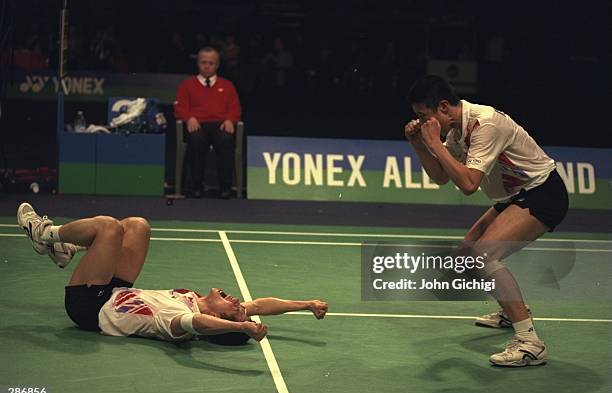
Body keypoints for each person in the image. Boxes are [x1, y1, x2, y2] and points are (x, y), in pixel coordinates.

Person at [404, 75, 569, 367]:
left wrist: (436, 145)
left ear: (443, 107)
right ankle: (512, 310)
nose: (421, 122)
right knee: (467, 256)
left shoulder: (485, 124)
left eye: (423, 116)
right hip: (516, 196)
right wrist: (420, 145)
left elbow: (468, 185)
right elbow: (442, 177)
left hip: (543, 193)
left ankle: (530, 343)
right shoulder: (456, 132)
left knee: (483, 256)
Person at [17, 203, 328, 343]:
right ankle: (68, 250)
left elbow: (197, 324)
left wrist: (242, 329)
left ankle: (45, 235)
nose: (238, 301)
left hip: (90, 307)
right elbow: (260, 306)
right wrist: (305, 304)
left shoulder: (177, 318)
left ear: (224, 320)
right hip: (116, 291)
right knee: (137, 226)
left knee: (109, 227)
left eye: (234, 310)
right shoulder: (201, 303)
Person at [174, 46, 242, 199]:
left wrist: (230, 120)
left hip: (220, 125)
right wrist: (189, 118)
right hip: (197, 124)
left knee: (226, 139)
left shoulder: (227, 85)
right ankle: (196, 186)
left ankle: (225, 187)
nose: (206, 66)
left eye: (211, 63)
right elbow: (179, 108)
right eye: (203, 62)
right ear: (197, 63)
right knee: (196, 140)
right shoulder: (187, 85)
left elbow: (235, 108)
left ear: (217, 65)